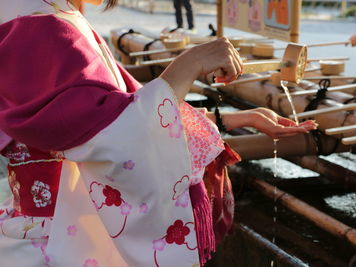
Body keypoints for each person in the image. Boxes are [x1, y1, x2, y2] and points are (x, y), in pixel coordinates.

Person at [0, 0, 317, 266]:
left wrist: (233, 118)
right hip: (64, 238)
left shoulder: (32, 13)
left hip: (48, 229)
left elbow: (115, 113)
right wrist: (189, 64)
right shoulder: (41, 24)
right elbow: (116, 135)